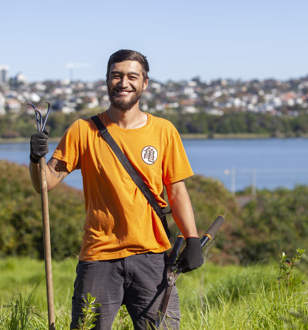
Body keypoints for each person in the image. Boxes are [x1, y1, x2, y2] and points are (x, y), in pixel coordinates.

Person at [29, 49, 203, 329]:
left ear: (145, 83)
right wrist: (35, 158)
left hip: (152, 257)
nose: (124, 82)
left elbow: (177, 190)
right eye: (116, 75)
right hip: (99, 256)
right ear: (107, 80)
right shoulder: (83, 131)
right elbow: (45, 184)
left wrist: (191, 238)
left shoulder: (164, 131)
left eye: (132, 76)